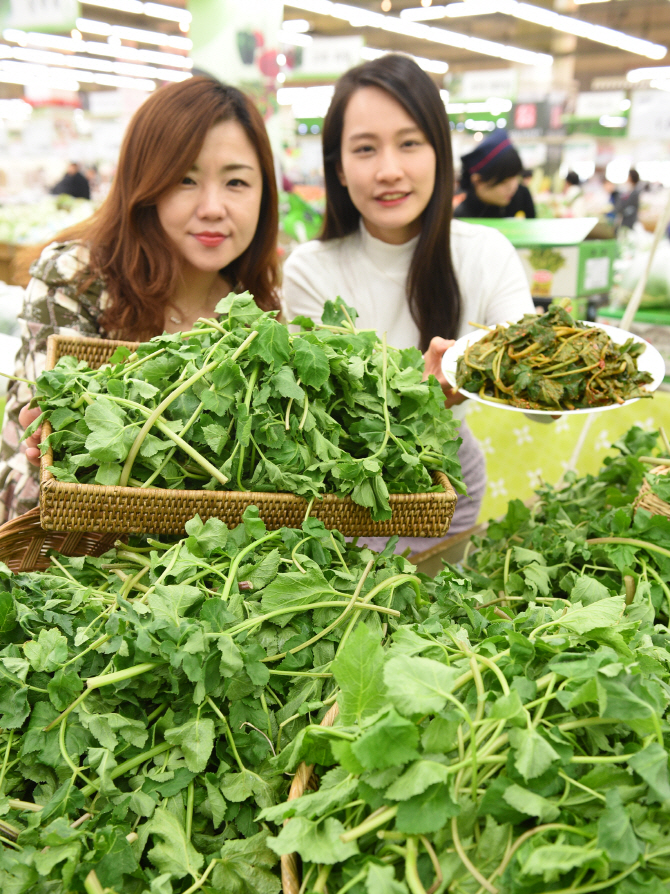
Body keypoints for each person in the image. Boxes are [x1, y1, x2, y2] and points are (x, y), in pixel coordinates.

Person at [1, 75, 280, 523]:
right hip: (62, 543)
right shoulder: (76, 276)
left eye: (236, 183)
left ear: (264, 194)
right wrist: (45, 433)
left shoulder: (260, 313)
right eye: (185, 180)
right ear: (145, 185)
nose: (212, 207)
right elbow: (35, 432)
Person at [283, 54, 534, 551]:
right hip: (346, 493)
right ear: (337, 168)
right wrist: (414, 398)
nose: (389, 170)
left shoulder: (485, 253)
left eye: (410, 143)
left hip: (450, 484)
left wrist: (500, 370)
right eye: (365, 149)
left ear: (439, 152)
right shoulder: (310, 269)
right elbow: (323, 420)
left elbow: (541, 405)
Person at [454, 128, 536, 219]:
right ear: (477, 180)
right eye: (504, 182)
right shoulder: (463, 217)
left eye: (515, 176)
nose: (513, 187)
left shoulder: (522, 195)